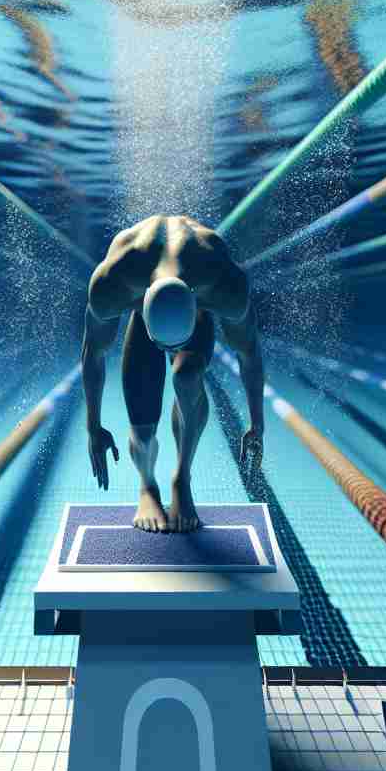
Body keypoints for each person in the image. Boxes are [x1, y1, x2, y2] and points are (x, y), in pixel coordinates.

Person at [81, 216, 266, 536]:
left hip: (192, 297)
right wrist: (93, 426)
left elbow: (249, 353)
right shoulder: (113, 282)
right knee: (141, 427)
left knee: (187, 376)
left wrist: (257, 423)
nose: (169, 353)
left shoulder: (225, 285)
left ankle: (183, 478)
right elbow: (92, 352)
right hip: (149, 299)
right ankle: (147, 487)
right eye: (163, 346)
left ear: (197, 309)